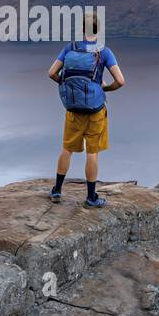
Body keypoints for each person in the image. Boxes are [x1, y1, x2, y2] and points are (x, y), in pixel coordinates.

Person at [47, 13, 124, 207]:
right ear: (99, 31)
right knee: (92, 153)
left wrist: (65, 83)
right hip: (95, 111)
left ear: (82, 29)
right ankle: (91, 198)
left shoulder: (69, 48)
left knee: (67, 149)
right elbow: (121, 81)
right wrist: (104, 88)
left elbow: (51, 73)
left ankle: (56, 191)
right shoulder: (103, 52)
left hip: (73, 110)